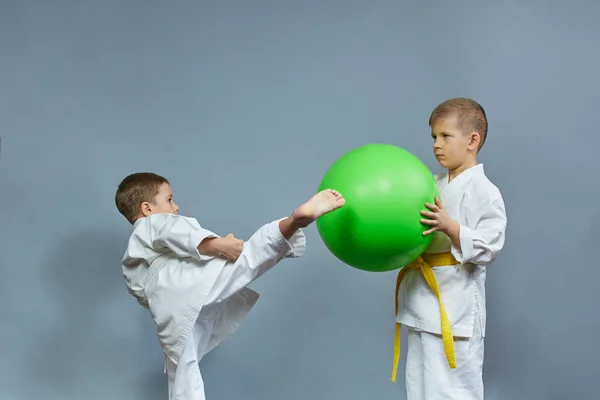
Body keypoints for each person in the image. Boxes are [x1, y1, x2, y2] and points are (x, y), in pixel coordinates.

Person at [115, 172, 345, 400]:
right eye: (169, 199)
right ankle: (294, 221)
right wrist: (217, 244)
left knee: (183, 369)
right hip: (183, 286)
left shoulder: (134, 249)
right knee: (248, 257)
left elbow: (139, 288)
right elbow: (175, 232)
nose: (175, 207)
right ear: (147, 209)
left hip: (169, 309)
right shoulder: (152, 223)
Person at [392, 98, 507, 399]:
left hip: (455, 308)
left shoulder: (484, 191)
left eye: (445, 136)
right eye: (433, 136)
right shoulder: (430, 184)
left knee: (453, 389)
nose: (436, 145)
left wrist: (451, 227)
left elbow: (490, 246)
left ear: (472, 140)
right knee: (419, 386)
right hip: (420, 300)